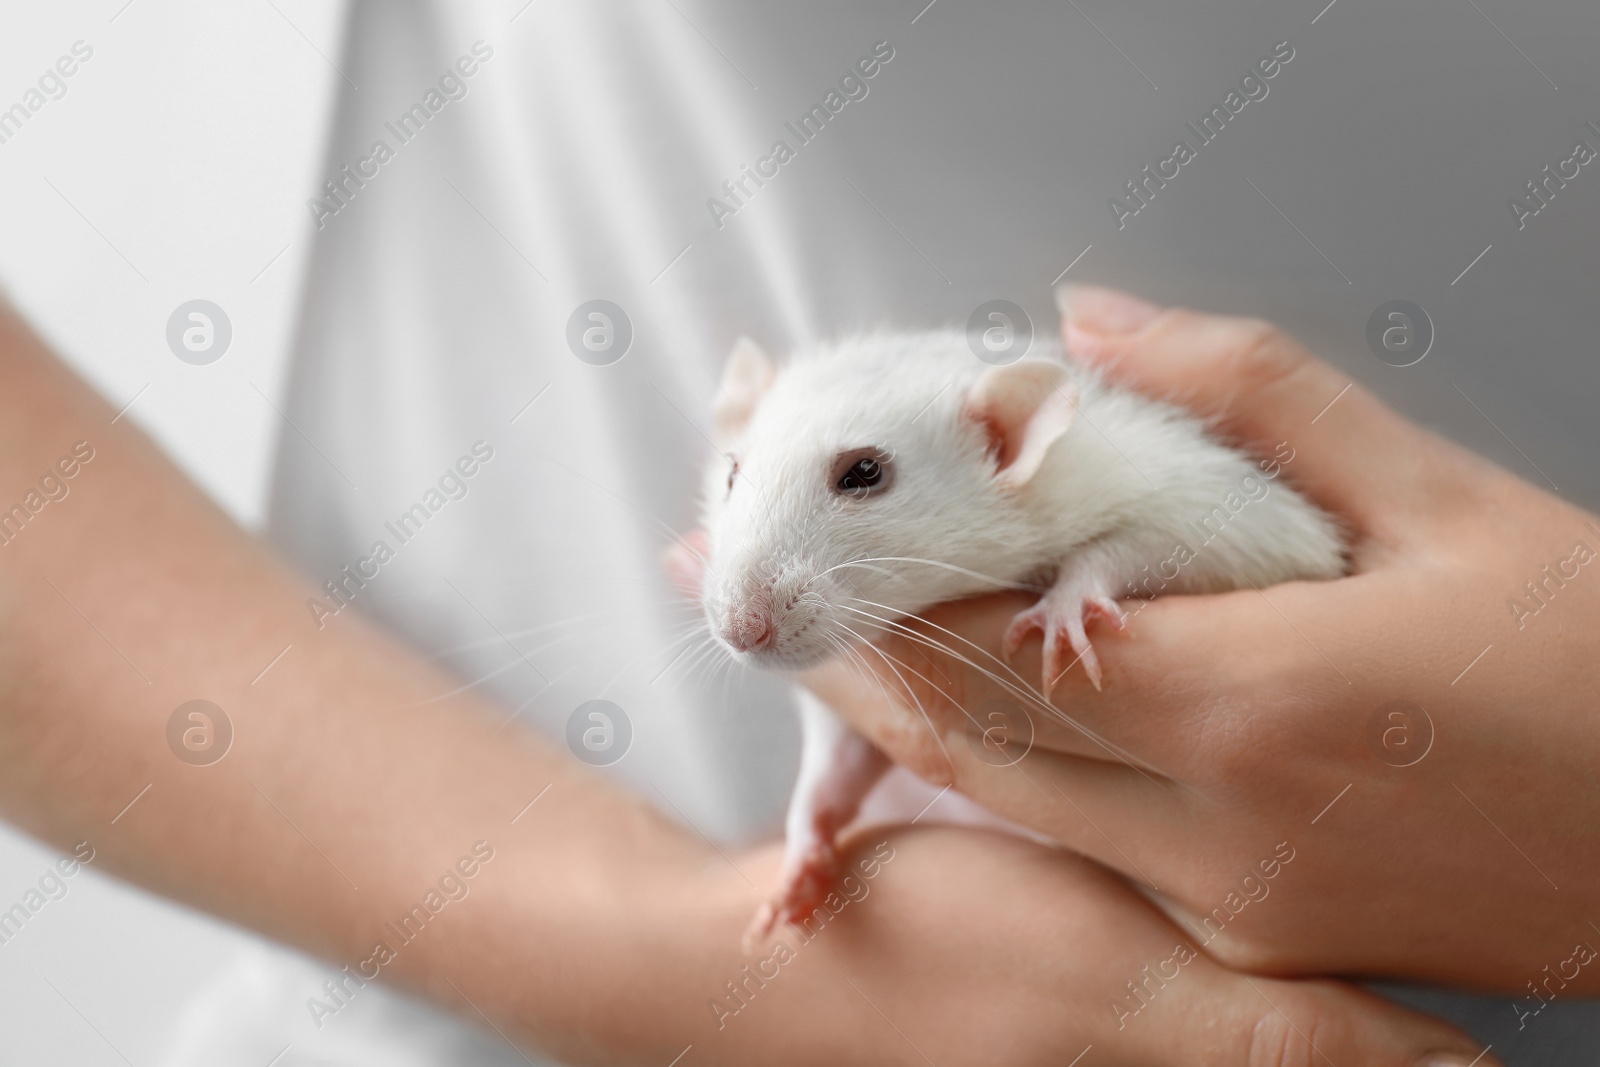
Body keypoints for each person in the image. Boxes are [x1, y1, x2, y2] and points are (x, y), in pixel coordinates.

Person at [2, 1, 1594, 1063]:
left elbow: (1188, 522)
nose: (744, 614)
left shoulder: (1078, 465)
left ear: (1013, 441)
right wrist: (713, 968)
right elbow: (851, 739)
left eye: (844, 491)